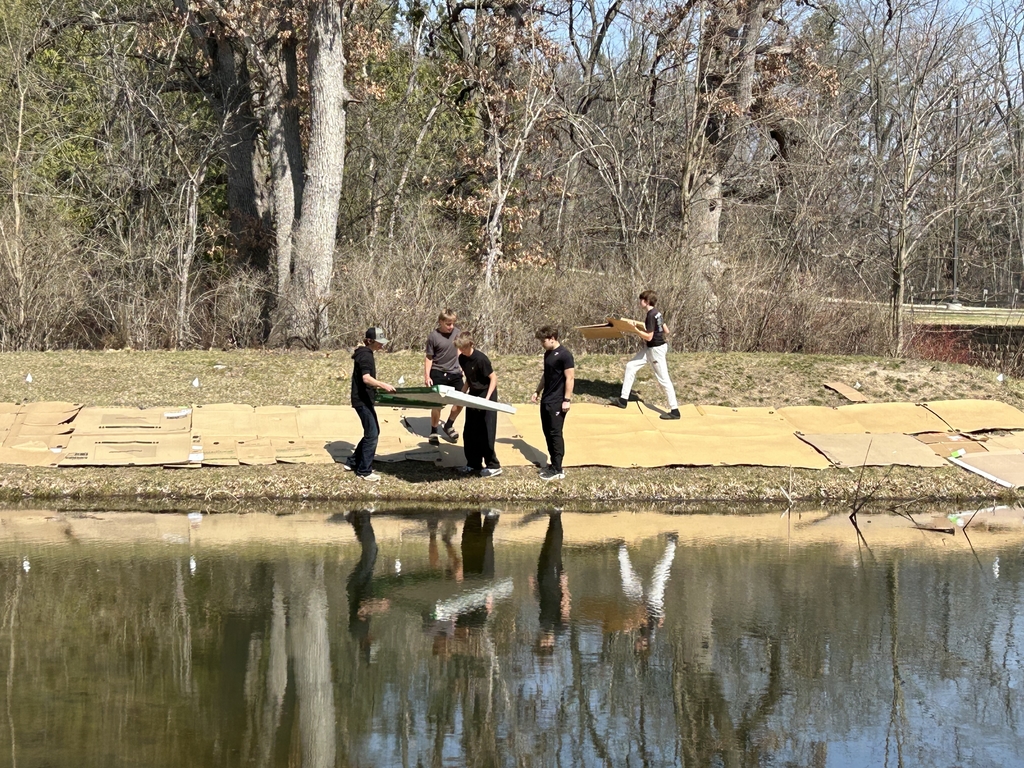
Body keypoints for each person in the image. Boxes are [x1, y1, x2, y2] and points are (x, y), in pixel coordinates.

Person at [610, 290, 681, 419]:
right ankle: (623, 400)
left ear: (646, 301)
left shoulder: (650, 315)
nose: (639, 302)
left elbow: (648, 337)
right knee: (631, 366)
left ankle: (675, 410)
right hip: (652, 348)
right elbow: (666, 330)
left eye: (641, 300)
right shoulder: (657, 313)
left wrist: (635, 329)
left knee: (663, 379)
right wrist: (641, 326)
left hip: (655, 350)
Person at [345, 327, 396, 482]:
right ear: (370, 341)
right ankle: (364, 471)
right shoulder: (366, 356)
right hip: (362, 400)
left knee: (372, 432)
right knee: (372, 434)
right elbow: (366, 378)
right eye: (379, 342)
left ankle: (352, 462)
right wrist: (383, 385)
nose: (382, 345)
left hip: (363, 399)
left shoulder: (364, 353)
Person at [530, 326, 575, 481]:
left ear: (552, 338)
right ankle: (553, 464)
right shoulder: (548, 354)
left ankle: (558, 469)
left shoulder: (565, 355)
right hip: (546, 400)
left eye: (544, 341)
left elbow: (570, 378)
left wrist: (567, 400)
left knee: (555, 434)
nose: (542, 343)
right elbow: (546, 374)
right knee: (547, 432)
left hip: (558, 401)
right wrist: (537, 391)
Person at [454, 332, 502, 478]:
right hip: (473, 395)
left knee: (486, 430)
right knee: (470, 430)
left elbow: (493, 378)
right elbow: (469, 379)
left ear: (471, 345)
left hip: (487, 394)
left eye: (464, 348)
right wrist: (461, 394)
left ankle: (493, 465)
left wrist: (487, 399)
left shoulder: (481, 359)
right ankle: (473, 463)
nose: (462, 351)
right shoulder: (462, 358)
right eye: (460, 348)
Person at [424, 310, 465, 445]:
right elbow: (429, 357)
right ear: (441, 322)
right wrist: (427, 375)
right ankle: (433, 430)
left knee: (462, 399)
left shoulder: (457, 333)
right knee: (437, 404)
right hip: (438, 371)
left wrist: (462, 366)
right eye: (448, 324)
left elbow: (459, 350)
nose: (451, 326)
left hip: (455, 373)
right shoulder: (433, 337)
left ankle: (449, 425)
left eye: (452, 323)